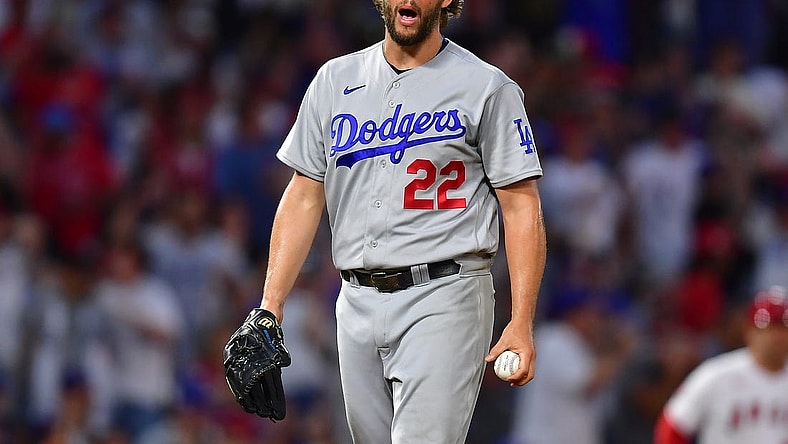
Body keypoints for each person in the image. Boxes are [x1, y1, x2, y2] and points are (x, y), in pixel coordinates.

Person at [247, 0, 547, 442]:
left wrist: (520, 321)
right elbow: (304, 196)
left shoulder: (487, 87)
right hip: (355, 302)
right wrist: (270, 307)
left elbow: (521, 207)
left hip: (444, 295)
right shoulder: (334, 80)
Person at [654, 285, 788, 444]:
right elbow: (673, 425)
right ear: (750, 331)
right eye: (770, 328)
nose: (777, 337)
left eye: (783, 329)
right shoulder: (717, 374)